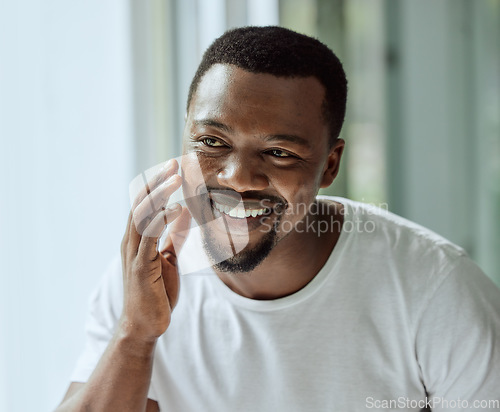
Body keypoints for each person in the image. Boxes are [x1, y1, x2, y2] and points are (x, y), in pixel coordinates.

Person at [56, 26, 500, 411]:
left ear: (329, 165)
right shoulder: (144, 277)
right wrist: (135, 336)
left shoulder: (435, 290)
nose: (238, 179)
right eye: (211, 141)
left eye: (279, 153)